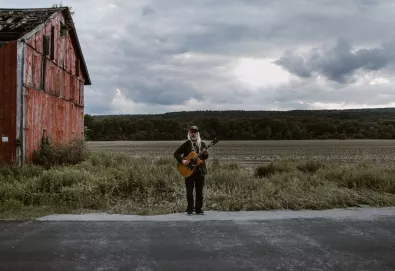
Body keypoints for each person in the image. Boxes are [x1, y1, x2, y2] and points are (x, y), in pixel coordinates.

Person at [174, 126, 209, 215]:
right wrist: (183, 160)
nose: (193, 133)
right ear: (189, 133)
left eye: (195, 132)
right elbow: (176, 153)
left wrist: (205, 155)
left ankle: (198, 209)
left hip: (200, 171)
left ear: (197, 134)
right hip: (188, 171)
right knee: (189, 192)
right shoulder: (186, 144)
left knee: (199, 192)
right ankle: (190, 208)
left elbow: (205, 157)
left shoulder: (202, 144)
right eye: (191, 132)